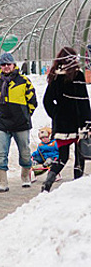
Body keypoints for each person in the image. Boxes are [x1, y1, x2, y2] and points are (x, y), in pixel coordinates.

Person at [41, 47, 91, 192]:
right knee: (79, 156)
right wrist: (88, 122)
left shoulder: (54, 76)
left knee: (62, 158)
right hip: (78, 122)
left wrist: (56, 115)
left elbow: (47, 101)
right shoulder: (78, 75)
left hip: (62, 124)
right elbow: (83, 101)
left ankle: (48, 183)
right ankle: (77, 186)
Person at [0, 52, 37, 192]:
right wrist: (1, 113)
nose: (6, 67)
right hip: (3, 124)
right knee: (0, 154)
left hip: (21, 124)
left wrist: (25, 115)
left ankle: (25, 177)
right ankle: (2, 182)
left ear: (14, 65)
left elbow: (32, 100)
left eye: (8, 64)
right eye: (3, 64)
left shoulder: (24, 81)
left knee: (25, 152)